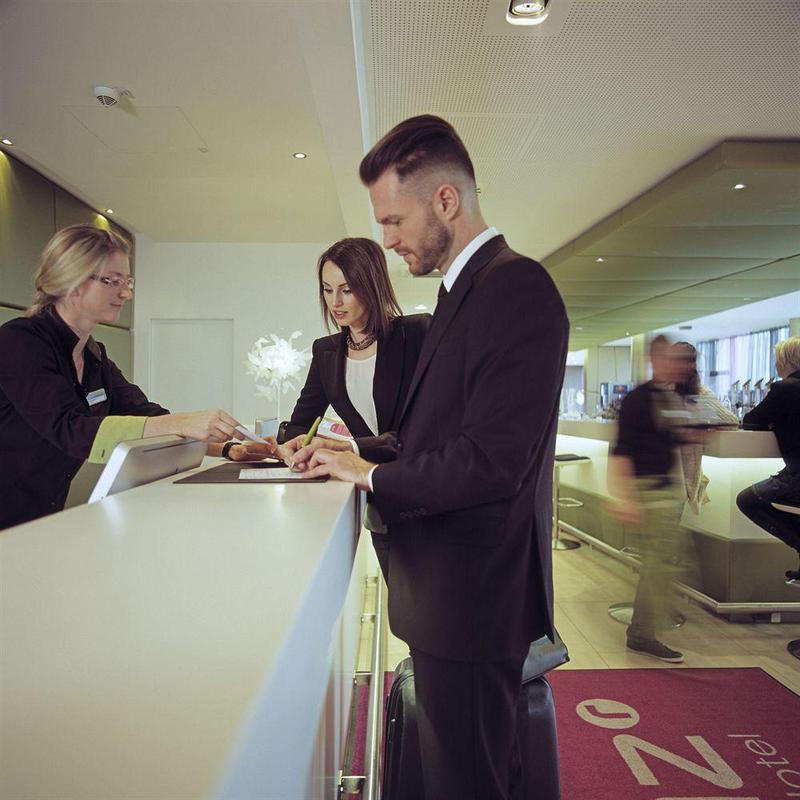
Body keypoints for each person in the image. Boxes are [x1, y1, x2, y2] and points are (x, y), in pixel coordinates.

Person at [286, 115, 568, 799]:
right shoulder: (460, 295)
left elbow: (491, 460)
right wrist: (348, 451)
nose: (386, 240)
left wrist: (372, 472)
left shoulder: (515, 287)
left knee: (466, 784)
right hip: (450, 598)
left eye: (393, 220)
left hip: (473, 601)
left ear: (445, 200)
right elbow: (433, 433)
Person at [0, 224, 243, 531]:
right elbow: (71, 430)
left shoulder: (94, 356)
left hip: (37, 519)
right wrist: (184, 423)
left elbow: (145, 415)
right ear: (71, 280)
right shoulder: (20, 342)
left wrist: (228, 448)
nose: (126, 293)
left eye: (127, 281)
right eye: (112, 281)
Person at [225, 237, 431, 579]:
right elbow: (300, 422)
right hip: (382, 507)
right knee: (408, 615)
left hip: (428, 498)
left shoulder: (416, 335)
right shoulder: (327, 352)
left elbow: (420, 433)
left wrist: (344, 447)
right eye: (327, 289)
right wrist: (292, 445)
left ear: (371, 284)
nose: (335, 301)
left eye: (346, 289)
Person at [608, 335, 692, 663]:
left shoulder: (671, 398)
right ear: (654, 359)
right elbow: (622, 451)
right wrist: (625, 497)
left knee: (663, 563)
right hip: (648, 491)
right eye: (669, 357)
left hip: (666, 490)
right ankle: (643, 632)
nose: (676, 364)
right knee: (658, 565)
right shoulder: (637, 401)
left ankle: (646, 627)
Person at [736, 336, 800, 580]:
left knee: (748, 500)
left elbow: (751, 420)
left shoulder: (786, 388)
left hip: (796, 476)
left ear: (786, 361)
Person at [672, 341, 738, 514]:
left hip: (664, 474)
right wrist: (705, 427)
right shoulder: (700, 391)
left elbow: (731, 421)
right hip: (682, 473)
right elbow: (731, 421)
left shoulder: (661, 391)